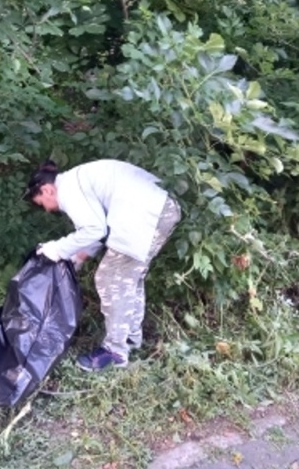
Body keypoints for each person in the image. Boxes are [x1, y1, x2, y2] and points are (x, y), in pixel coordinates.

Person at [24, 159, 181, 371]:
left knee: (111, 279)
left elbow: (94, 229)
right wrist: (79, 256)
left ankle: (115, 351)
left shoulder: (69, 190)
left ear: (47, 190)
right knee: (128, 278)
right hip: (160, 209)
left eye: (42, 203)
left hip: (145, 214)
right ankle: (131, 339)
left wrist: (57, 249)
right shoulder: (75, 180)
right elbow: (97, 229)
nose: (47, 210)